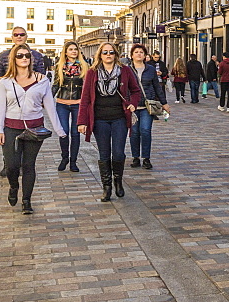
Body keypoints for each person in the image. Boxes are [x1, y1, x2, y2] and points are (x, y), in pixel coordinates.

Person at [0, 44, 67, 214]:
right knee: (12, 166)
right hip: (11, 127)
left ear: (31, 59)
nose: (24, 58)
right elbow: (0, 109)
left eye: (27, 55)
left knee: (28, 165)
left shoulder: (42, 80)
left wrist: (59, 130)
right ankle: (13, 187)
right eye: (20, 56)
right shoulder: (5, 82)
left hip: (35, 128)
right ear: (14, 59)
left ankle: (26, 200)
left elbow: (50, 106)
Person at [78, 43, 141, 202]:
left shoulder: (124, 71)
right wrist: (82, 121)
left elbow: (135, 90)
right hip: (100, 119)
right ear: (100, 55)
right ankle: (106, 187)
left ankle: (118, 180)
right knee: (104, 153)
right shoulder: (92, 73)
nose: (108, 55)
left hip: (119, 117)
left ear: (115, 55)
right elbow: (85, 99)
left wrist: (133, 102)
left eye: (111, 52)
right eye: (105, 52)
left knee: (118, 153)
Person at [0, 28, 47, 177]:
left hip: (28, 99)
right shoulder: (4, 56)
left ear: (27, 37)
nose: (19, 37)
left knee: (25, 133)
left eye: (22, 34)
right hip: (8, 98)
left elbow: (42, 79)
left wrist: (43, 100)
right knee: (8, 131)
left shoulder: (37, 56)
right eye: (16, 35)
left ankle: (19, 163)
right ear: (12, 37)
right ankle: (8, 162)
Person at [128, 44, 169, 170]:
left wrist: (164, 102)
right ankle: (135, 157)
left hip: (147, 105)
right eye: (136, 52)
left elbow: (157, 87)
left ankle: (146, 158)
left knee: (145, 131)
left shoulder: (150, 69)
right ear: (132, 55)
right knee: (134, 133)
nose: (139, 54)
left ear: (145, 55)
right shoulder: (126, 69)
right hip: (132, 107)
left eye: (141, 52)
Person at [52, 41, 89, 172]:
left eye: (75, 49)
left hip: (77, 104)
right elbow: (55, 85)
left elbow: (87, 87)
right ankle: (64, 158)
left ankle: (73, 161)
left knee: (75, 133)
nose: (74, 51)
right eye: (71, 49)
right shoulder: (59, 66)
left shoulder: (85, 66)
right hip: (62, 103)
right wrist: (47, 100)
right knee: (63, 132)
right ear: (65, 52)